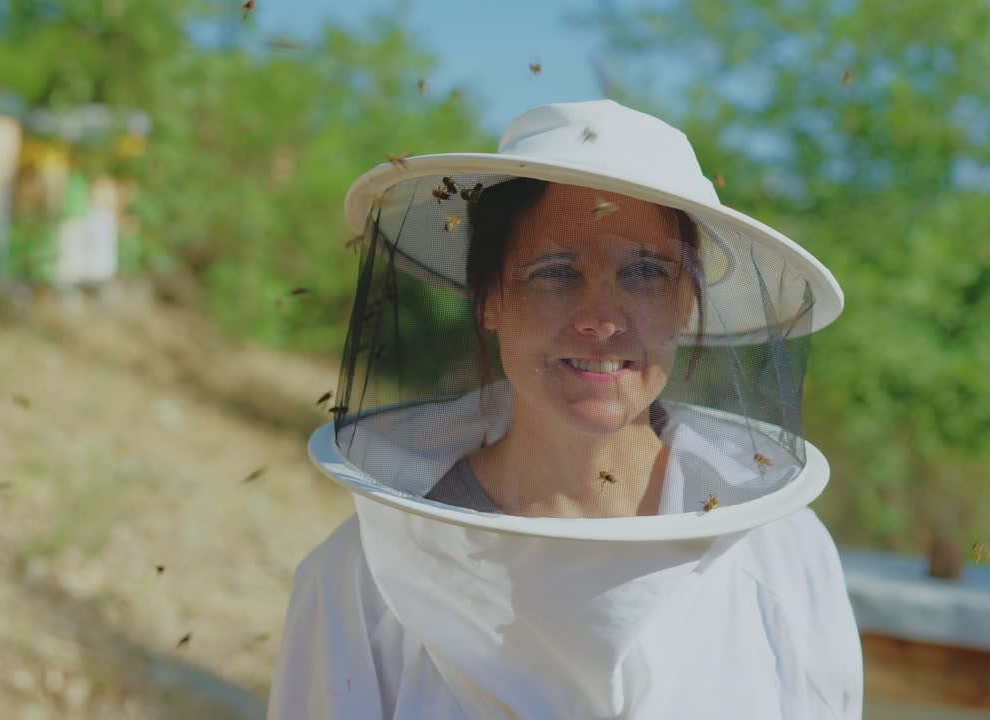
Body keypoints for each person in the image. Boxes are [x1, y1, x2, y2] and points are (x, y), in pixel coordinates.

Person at [269, 100, 863, 719]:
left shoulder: (784, 554)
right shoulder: (360, 575)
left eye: (645, 272)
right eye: (555, 271)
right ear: (489, 299)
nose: (601, 318)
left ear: (686, 305)